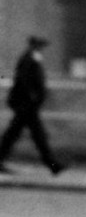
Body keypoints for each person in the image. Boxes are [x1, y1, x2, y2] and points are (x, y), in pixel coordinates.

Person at [0, 35, 64, 175]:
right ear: (34, 45)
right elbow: (24, 81)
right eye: (39, 45)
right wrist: (32, 98)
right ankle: (53, 165)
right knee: (35, 136)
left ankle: (53, 165)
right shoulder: (29, 58)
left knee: (16, 135)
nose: (41, 48)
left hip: (28, 105)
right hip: (26, 105)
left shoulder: (32, 58)